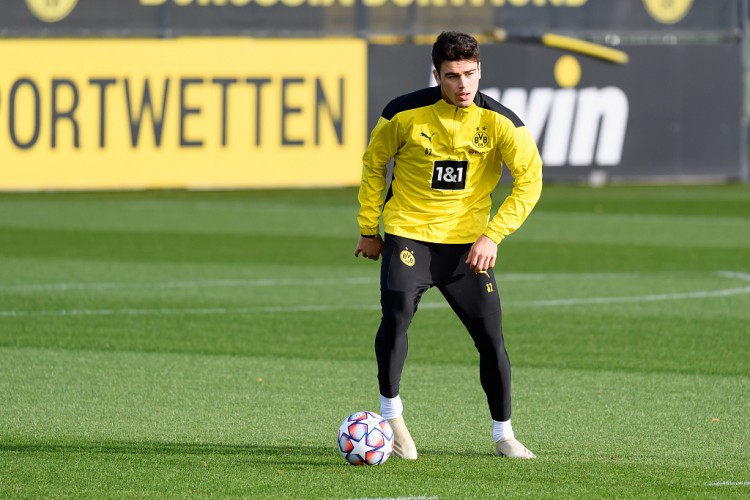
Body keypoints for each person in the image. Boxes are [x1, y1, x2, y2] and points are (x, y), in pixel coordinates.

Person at [354, 31, 543, 459]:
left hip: (467, 248)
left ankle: (504, 435)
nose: (463, 85)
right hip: (410, 234)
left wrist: (492, 235)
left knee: (491, 338)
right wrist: (369, 227)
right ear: (436, 74)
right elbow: (374, 164)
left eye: (470, 74)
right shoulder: (402, 113)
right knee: (396, 315)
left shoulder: (502, 122)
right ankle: (392, 418)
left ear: (480, 71)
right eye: (453, 76)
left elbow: (530, 180)